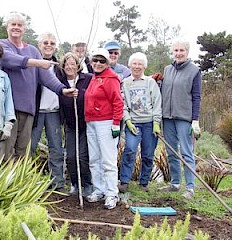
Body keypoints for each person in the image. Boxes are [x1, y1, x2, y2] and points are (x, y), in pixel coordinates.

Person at [0, 12, 78, 163]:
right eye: (13, 24)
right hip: (8, 109)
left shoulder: (33, 51)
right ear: (7, 27)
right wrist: (37, 62)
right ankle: (4, 184)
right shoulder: (2, 45)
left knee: (23, 150)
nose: (16, 27)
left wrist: (62, 89)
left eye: (19, 25)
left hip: (28, 109)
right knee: (6, 149)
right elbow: (9, 59)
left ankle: (20, 183)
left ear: (24, 29)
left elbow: (45, 76)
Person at [159, 39, 202, 200]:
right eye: (176, 50)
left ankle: (190, 187)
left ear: (187, 52)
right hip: (167, 117)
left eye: (181, 50)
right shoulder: (168, 69)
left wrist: (195, 119)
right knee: (171, 151)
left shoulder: (194, 71)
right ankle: (175, 183)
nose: (178, 53)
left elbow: (197, 96)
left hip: (184, 117)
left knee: (186, 152)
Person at [84, 48, 123, 209]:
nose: (98, 64)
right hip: (91, 121)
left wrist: (116, 122)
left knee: (108, 159)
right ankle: (99, 189)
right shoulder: (94, 77)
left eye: (102, 61)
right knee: (94, 159)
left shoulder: (111, 78)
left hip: (106, 122)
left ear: (107, 63)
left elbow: (118, 102)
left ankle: (111, 193)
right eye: (95, 60)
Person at [119, 52, 162, 193]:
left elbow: (157, 102)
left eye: (140, 64)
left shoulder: (150, 82)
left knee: (148, 154)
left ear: (144, 66)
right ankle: (124, 181)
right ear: (130, 65)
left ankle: (144, 182)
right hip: (134, 124)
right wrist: (128, 121)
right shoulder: (125, 83)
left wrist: (156, 122)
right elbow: (122, 104)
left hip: (149, 124)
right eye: (134, 64)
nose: (137, 67)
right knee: (130, 150)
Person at [31, 32, 65, 191]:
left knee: (56, 148)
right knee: (29, 147)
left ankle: (57, 182)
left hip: (54, 112)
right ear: (39, 45)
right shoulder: (33, 64)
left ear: (55, 46)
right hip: (36, 112)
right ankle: (26, 181)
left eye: (52, 43)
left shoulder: (59, 66)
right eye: (45, 42)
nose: (48, 45)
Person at [58, 52, 93, 196]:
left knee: (82, 156)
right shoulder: (60, 82)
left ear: (78, 66)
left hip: (86, 124)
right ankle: (75, 184)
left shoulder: (87, 79)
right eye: (66, 64)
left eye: (73, 64)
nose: (69, 67)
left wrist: (82, 93)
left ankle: (87, 184)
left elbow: (94, 94)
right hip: (71, 125)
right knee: (71, 157)